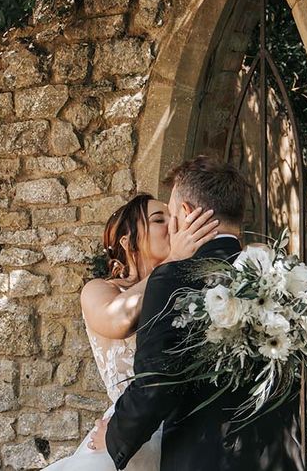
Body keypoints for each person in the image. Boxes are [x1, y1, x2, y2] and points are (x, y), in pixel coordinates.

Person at [90, 156, 305, 471]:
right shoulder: (278, 278)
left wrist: (115, 438)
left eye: (172, 211)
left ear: (187, 213)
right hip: (280, 458)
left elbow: (158, 382)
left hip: (206, 459)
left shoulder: (174, 278)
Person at [42, 192, 221, 470]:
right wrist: (172, 261)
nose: (171, 224)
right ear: (128, 242)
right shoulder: (100, 290)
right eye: (158, 219)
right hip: (129, 438)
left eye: (172, 216)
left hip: (189, 434)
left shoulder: (188, 285)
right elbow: (119, 321)